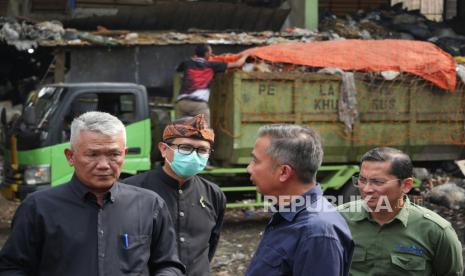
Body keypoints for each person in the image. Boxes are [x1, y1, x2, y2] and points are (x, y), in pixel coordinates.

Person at [0, 111, 185, 276]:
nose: (104, 164)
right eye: (92, 155)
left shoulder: (149, 205)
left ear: (124, 154)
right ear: (70, 156)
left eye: (114, 154)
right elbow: (11, 267)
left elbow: (169, 264)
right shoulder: (38, 208)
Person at [123, 114, 226, 276]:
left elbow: (211, 244)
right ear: (164, 149)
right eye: (185, 148)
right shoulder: (132, 190)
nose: (194, 156)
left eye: (202, 150)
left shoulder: (214, 194)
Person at [245, 124, 354, 276]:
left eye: (255, 161)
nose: (249, 169)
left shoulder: (317, 233)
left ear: (284, 172)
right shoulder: (289, 215)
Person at [338, 147, 463, 275]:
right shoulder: (338, 220)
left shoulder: (435, 232)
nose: (366, 189)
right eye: (362, 180)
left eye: (378, 182)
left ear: (406, 185)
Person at [175, 44, 248, 125]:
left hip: (182, 103)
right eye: (210, 52)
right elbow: (237, 64)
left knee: (181, 130)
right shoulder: (212, 65)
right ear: (206, 54)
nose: (211, 54)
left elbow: (178, 70)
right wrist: (246, 55)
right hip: (198, 105)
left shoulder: (187, 63)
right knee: (204, 132)